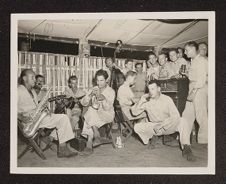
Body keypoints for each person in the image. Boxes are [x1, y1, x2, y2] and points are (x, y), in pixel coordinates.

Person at [17, 69, 77, 158]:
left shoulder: (32, 91)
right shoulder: (18, 91)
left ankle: (56, 144)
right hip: (29, 123)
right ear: (25, 78)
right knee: (62, 119)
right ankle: (59, 146)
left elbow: (36, 107)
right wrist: (21, 118)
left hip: (37, 118)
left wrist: (44, 109)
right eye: (32, 77)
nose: (35, 80)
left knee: (63, 118)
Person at [131, 80, 195, 161]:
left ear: (158, 89)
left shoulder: (167, 99)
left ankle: (186, 147)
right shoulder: (147, 101)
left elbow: (176, 116)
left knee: (183, 121)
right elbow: (134, 113)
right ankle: (152, 137)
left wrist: (161, 125)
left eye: (153, 89)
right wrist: (141, 101)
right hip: (155, 127)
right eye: (149, 89)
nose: (150, 92)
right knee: (137, 127)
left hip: (167, 126)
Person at [81, 69, 115, 155]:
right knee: (91, 112)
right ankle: (93, 138)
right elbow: (83, 102)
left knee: (89, 114)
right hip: (95, 115)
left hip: (107, 115)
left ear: (106, 80)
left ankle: (91, 141)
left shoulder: (111, 91)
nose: (99, 83)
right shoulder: (94, 89)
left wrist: (103, 99)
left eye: (101, 80)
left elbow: (108, 108)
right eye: (97, 80)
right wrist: (90, 95)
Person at [182, 41, 208, 145]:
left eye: (186, 50)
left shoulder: (201, 60)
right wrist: (187, 74)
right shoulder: (194, 61)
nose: (185, 52)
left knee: (201, 117)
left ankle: (206, 142)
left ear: (193, 49)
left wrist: (193, 92)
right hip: (193, 89)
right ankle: (185, 142)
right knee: (186, 116)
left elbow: (201, 80)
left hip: (199, 90)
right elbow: (194, 77)